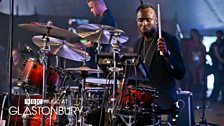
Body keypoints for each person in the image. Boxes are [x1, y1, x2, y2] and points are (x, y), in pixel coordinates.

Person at [132, 3, 185, 125]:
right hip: (142, 102)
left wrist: (167, 54)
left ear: (156, 20)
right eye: (140, 20)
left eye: (148, 20)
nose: (144, 24)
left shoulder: (170, 40)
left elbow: (180, 73)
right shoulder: (137, 44)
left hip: (163, 101)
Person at [208, 30, 224, 102]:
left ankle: (221, 98)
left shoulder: (223, 44)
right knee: (217, 81)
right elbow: (211, 53)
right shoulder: (213, 44)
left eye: (220, 34)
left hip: (222, 65)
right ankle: (214, 97)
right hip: (216, 65)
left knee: (221, 82)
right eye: (217, 34)